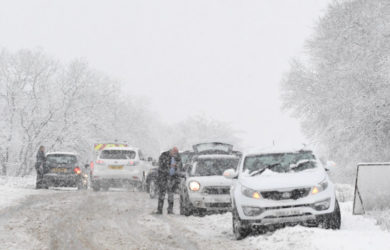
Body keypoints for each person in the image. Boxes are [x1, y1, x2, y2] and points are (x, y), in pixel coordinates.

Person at [156, 147, 182, 214]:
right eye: (174, 153)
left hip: (172, 178)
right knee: (162, 194)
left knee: (171, 194)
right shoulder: (164, 155)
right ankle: (159, 210)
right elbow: (160, 167)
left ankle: (170, 210)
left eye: (176, 153)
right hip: (163, 177)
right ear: (171, 151)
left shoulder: (177, 157)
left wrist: (176, 171)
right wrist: (167, 172)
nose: (175, 154)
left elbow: (180, 166)